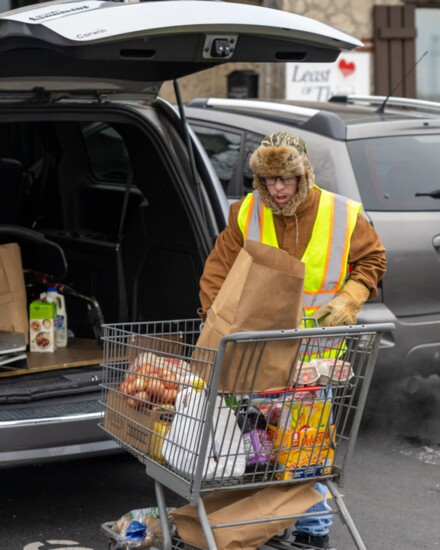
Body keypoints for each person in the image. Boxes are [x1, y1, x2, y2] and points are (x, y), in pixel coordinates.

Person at [198, 132, 386, 549]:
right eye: (268, 181)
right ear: (258, 181)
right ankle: (273, 519)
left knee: (306, 443)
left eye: (287, 179)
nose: (278, 190)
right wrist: (215, 320)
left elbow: (374, 259)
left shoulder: (343, 214)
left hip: (317, 353)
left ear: (305, 176)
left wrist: (350, 298)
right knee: (265, 442)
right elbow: (218, 270)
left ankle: (311, 530)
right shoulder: (246, 212)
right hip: (260, 350)